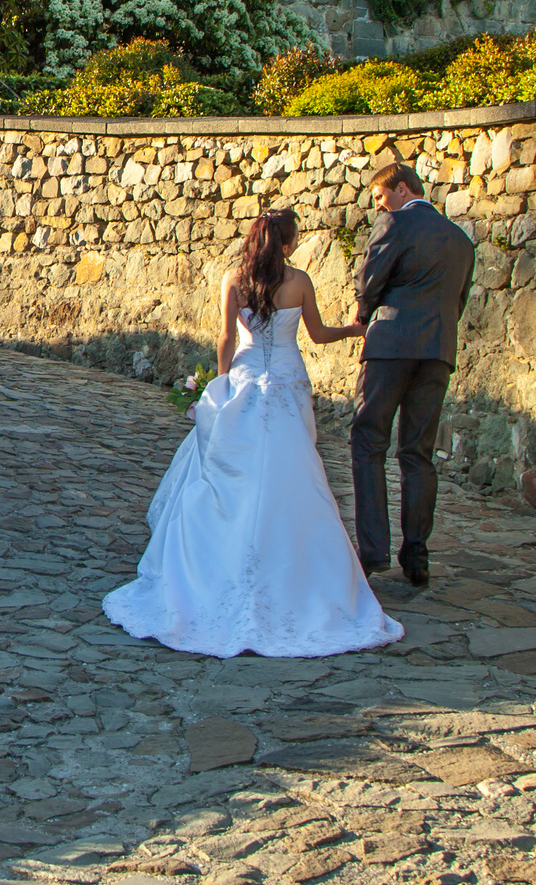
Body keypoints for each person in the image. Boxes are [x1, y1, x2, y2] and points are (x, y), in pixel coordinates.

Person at [102, 208, 404, 658]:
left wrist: (221, 385)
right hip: (285, 383)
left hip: (244, 383)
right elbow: (318, 336)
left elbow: (226, 338)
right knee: (293, 477)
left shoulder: (233, 279)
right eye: (294, 238)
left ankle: (217, 574)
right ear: (284, 242)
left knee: (232, 478)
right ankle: (299, 576)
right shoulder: (299, 281)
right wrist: (355, 330)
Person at [349, 160, 476, 589]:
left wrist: (365, 315)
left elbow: (369, 280)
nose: (380, 207)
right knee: (418, 453)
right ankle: (416, 554)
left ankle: (373, 550)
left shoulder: (396, 224)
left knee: (369, 440)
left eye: (382, 197)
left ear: (403, 190)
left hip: (390, 345)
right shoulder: (461, 240)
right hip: (438, 351)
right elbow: (458, 299)